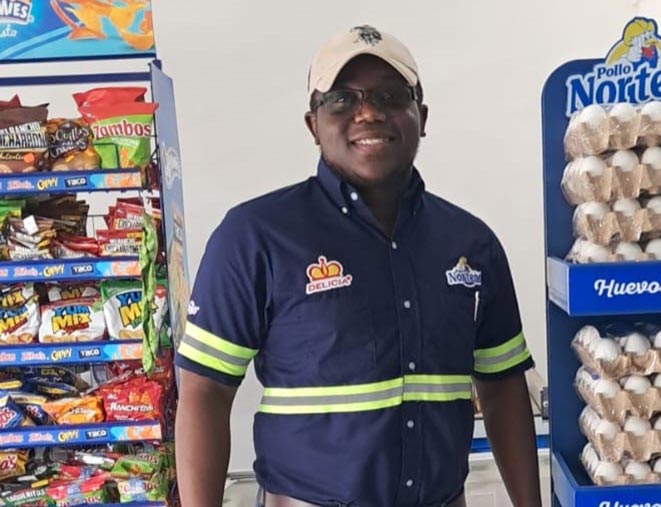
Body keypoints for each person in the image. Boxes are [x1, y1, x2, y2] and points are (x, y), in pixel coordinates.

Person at [174, 24, 541, 507]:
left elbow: (503, 388)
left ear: (421, 116)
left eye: (391, 95)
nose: (369, 112)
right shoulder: (255, 237)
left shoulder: (472, 244)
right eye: (342, 100)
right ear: (313, 124)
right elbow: (205, 393)